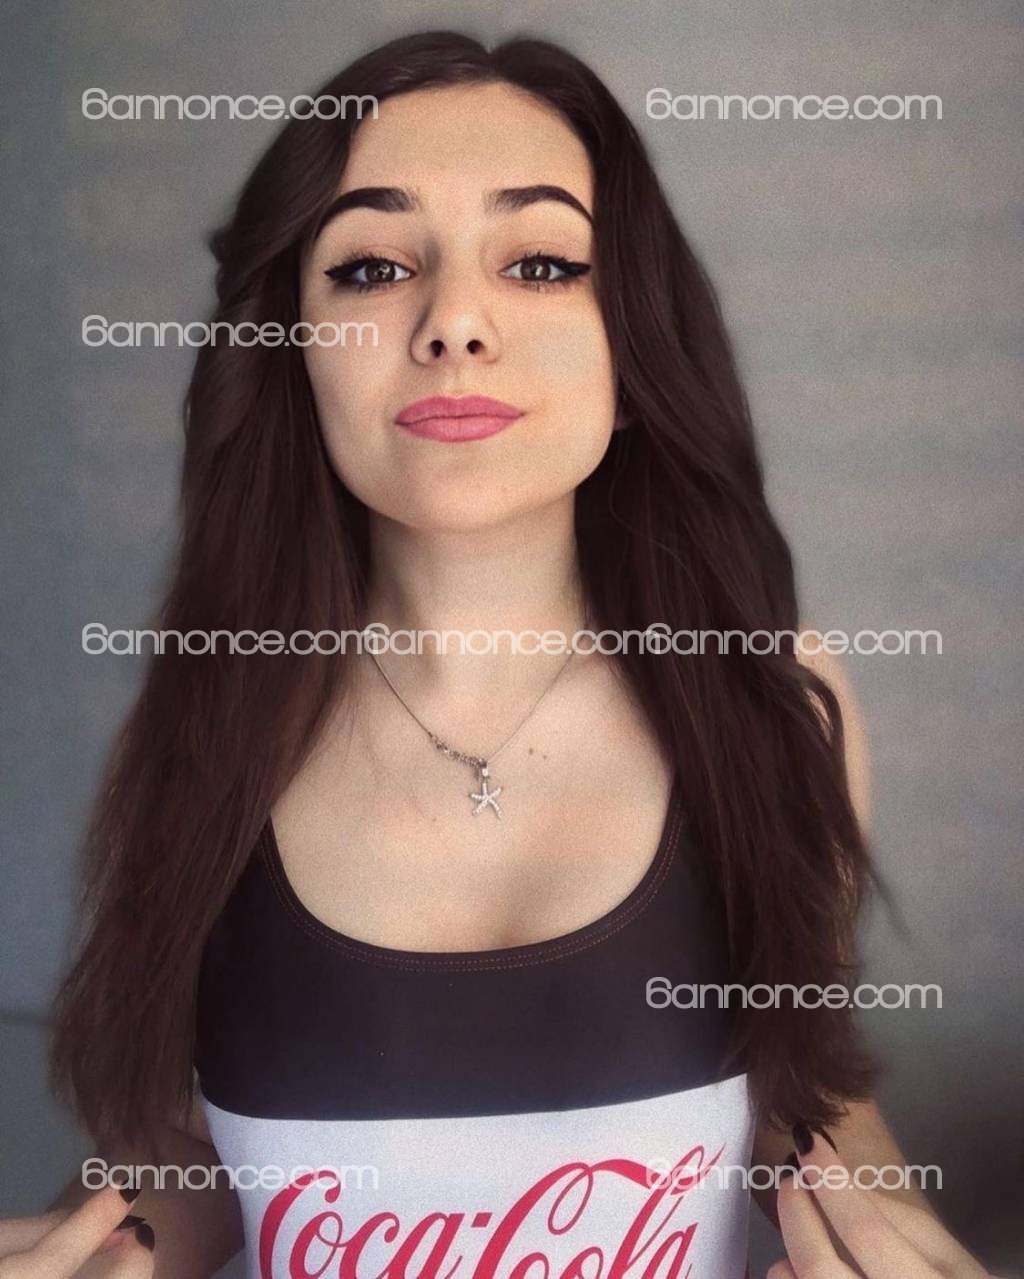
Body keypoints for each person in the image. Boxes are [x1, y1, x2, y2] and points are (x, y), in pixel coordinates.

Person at [1, 31, 994, 1279]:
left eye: (539, 262)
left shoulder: (771, 701)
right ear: (293, 353)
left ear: (631, 349)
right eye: (371, 267)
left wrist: (892, 1237)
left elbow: (810, 1094)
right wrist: (104, 1254)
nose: (456, 324)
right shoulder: (202, 723)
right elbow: (192, 1148)